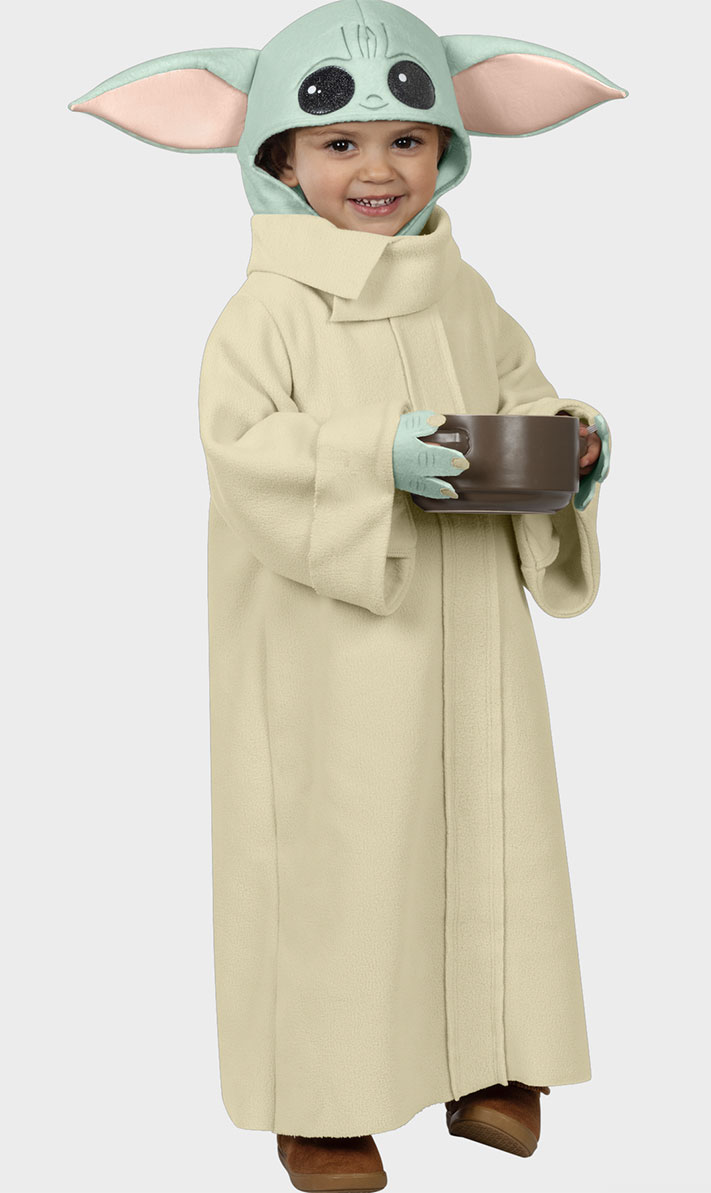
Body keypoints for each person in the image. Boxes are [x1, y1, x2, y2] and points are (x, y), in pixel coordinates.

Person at [68, 3, 625, 1189]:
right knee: (342, 848)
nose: (379, 169)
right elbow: (243, 452)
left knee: (485, 827)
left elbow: (521, 394)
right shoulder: (266, 312)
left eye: (407, 139)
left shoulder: (465, 293)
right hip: (333, 645)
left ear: (448, 147)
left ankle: (489, 1057)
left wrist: (568, 445)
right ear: (278, 156)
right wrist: (377, 455)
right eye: (340, 143)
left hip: (472, 633)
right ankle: (321, 1096)